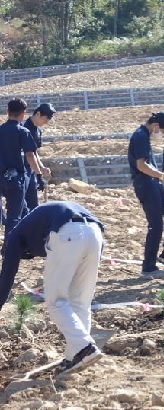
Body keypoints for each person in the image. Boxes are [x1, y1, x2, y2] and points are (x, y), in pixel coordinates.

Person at [0, 201, 104, 373]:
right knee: (80, 301)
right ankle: (75, 357)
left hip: (67, 234)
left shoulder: (15, 236)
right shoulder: (38, 220)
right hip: (95, 234)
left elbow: (7, 274)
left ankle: (86, 348)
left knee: (56, 301)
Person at [127, 111, 164, 277]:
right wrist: (161, 176)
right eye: (161, 130)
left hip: (151, 183)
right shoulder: (140, 137)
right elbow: (142, 165)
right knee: (156, 225)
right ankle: (149, 267)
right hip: (146, 183)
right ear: (155, 126)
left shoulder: (143, 136)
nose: (160, 134)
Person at [0, 98, 43, 241]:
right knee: (14, 216)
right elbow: (30, 155)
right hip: (15, 179)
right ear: (23, 113)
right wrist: (38, 175)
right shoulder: (22, 131)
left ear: (7, 111)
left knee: (22, 211)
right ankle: (9, 248)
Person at [21, 103, 54, 211]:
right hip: (20, 170)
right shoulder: (23, 127)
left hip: (31, 169)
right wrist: (38, 173)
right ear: (38, 114)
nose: (47, 122)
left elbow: (34, 152)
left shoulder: (38, 130)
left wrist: (41, 167)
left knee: (33, 203)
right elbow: (28, 154)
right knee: (21, 205)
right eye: (46, 119)